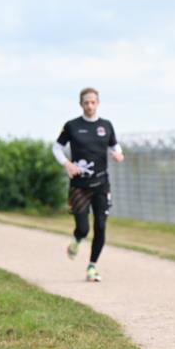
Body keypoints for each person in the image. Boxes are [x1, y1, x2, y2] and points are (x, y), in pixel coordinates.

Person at [52, 88, 124, 282]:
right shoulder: (72, 126)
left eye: (93, 102)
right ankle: (76, 241)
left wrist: (118, 154)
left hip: (101, 184)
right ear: (81, 104)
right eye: (86, 103)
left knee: (100, 226)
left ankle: (92, 267)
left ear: (98, 103)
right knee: (83, 229)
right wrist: (66, 164)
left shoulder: (106, 126)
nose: (90, 106)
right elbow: (56, 148)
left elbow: (115, 146)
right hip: (79, 186)